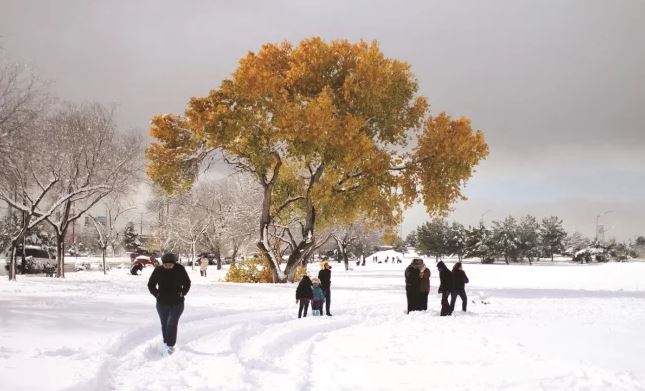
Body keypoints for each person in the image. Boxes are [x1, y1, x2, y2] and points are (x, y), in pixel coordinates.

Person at [147, 253, 191, 355]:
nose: (167, 266)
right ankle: (166, 343)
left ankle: (170, 347)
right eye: (165, 265)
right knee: (164, 324)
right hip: (162, 303)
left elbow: (187, 283)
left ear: (174, 263)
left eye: (170, 265)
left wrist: (182, 293)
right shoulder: (158, 270)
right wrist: (156, 294)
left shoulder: (180, 269)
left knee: (171, 323)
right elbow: (151, 285)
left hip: (177, 303)